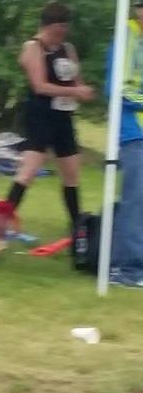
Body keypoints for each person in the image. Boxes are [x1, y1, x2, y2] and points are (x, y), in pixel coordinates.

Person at [6, 1, 95, 229]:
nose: (63, 32)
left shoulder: (68, 48)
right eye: (60, 27)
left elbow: (76, 80)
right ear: (49, 25)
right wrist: (74, 92)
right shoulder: (33, 47)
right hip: (41, 114)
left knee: (71, 171)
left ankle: (76, 225)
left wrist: (82, 90)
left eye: (66, 27)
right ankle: (1, 221)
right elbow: (40, 86)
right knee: (29, 170)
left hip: (63, 115)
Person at [105, 1, 143, 287]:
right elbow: (119, 89)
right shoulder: (128, 37)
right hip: (135, 133)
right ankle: (127, 270)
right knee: (135, 201)